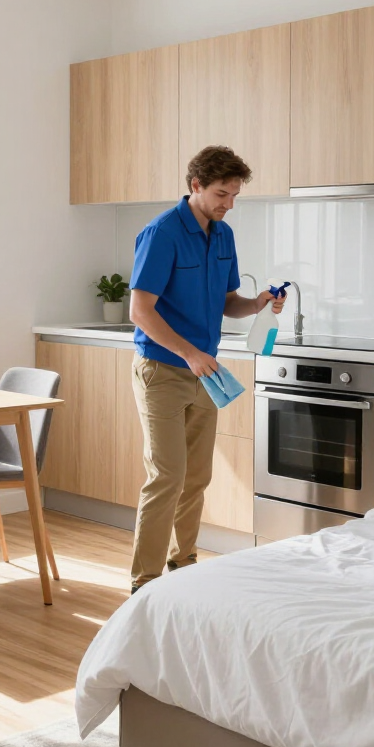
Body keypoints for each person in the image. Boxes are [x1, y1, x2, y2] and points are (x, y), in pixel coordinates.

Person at [127, 146, 284, 594]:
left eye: (234, 195)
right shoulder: (161, 233)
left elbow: (226, 302)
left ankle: (184, 564)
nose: (228, 204)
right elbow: (141, 311)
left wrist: (256, 304)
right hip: (162, 370)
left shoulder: (223, 234)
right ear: (195, 185)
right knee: (167, 475)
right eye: (221, 194)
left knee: (197, 476)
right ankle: (145, 583)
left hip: (204, 373)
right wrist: (190, 353)